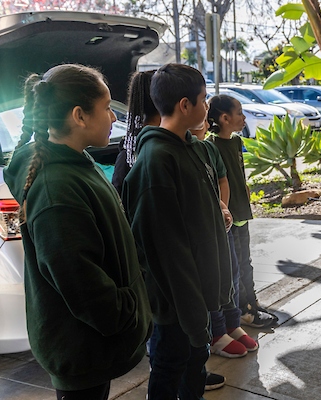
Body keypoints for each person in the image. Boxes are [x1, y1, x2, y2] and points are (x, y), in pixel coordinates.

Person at [3, 64, 153, 400]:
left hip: (95, 345)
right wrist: (127, 312)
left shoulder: (77, 162)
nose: (114, 117)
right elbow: (79, 280)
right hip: (83, 349)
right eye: (107, 108)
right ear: (79, 116)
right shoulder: (56, 189)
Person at [121, 64, 232, 400]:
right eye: (204, 99)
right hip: (176, 304)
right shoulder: (156, 160)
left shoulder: (194, 148)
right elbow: (165, 250)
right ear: (185, 105)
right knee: (171, 367)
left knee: (194, 365)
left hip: (197, 296)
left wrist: (218, 216)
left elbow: (197, 210)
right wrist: (192, 312)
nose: (207, 106)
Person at [207, 95, 279, 328]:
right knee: (235, 266)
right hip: (230, 216)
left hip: (241, 210)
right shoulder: (210, 145)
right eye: (239, 113)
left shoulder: (236, 141)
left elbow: (239, 172)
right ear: (224, 118)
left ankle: (251, 302)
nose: (244, 117)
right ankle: (243, 310)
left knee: (245, 261)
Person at [191, 120, 259, 358]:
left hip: (221, 225)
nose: (206, 113)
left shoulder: (208, 149)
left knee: (231, 272)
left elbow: (221, 180)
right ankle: (217, 332)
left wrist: (223, 208)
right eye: (202, 104)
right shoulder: (180, 151)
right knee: (212, 279)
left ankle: (232, 324)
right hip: (203, 230)